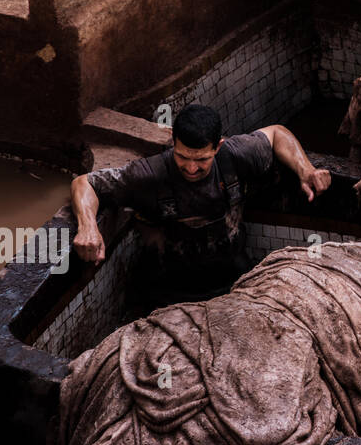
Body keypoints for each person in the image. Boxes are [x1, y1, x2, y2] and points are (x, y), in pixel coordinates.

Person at [70, 104, 331, 308]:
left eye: (202, 159)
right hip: (172, 297)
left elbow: (276, 133)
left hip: (236, 283)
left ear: (217, 146)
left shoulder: (236, 155)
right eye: (183, 157)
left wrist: (306, 170)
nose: (191, 168)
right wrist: (88, 226)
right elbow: (85, 184)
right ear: (173, 140)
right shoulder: (149, 174)